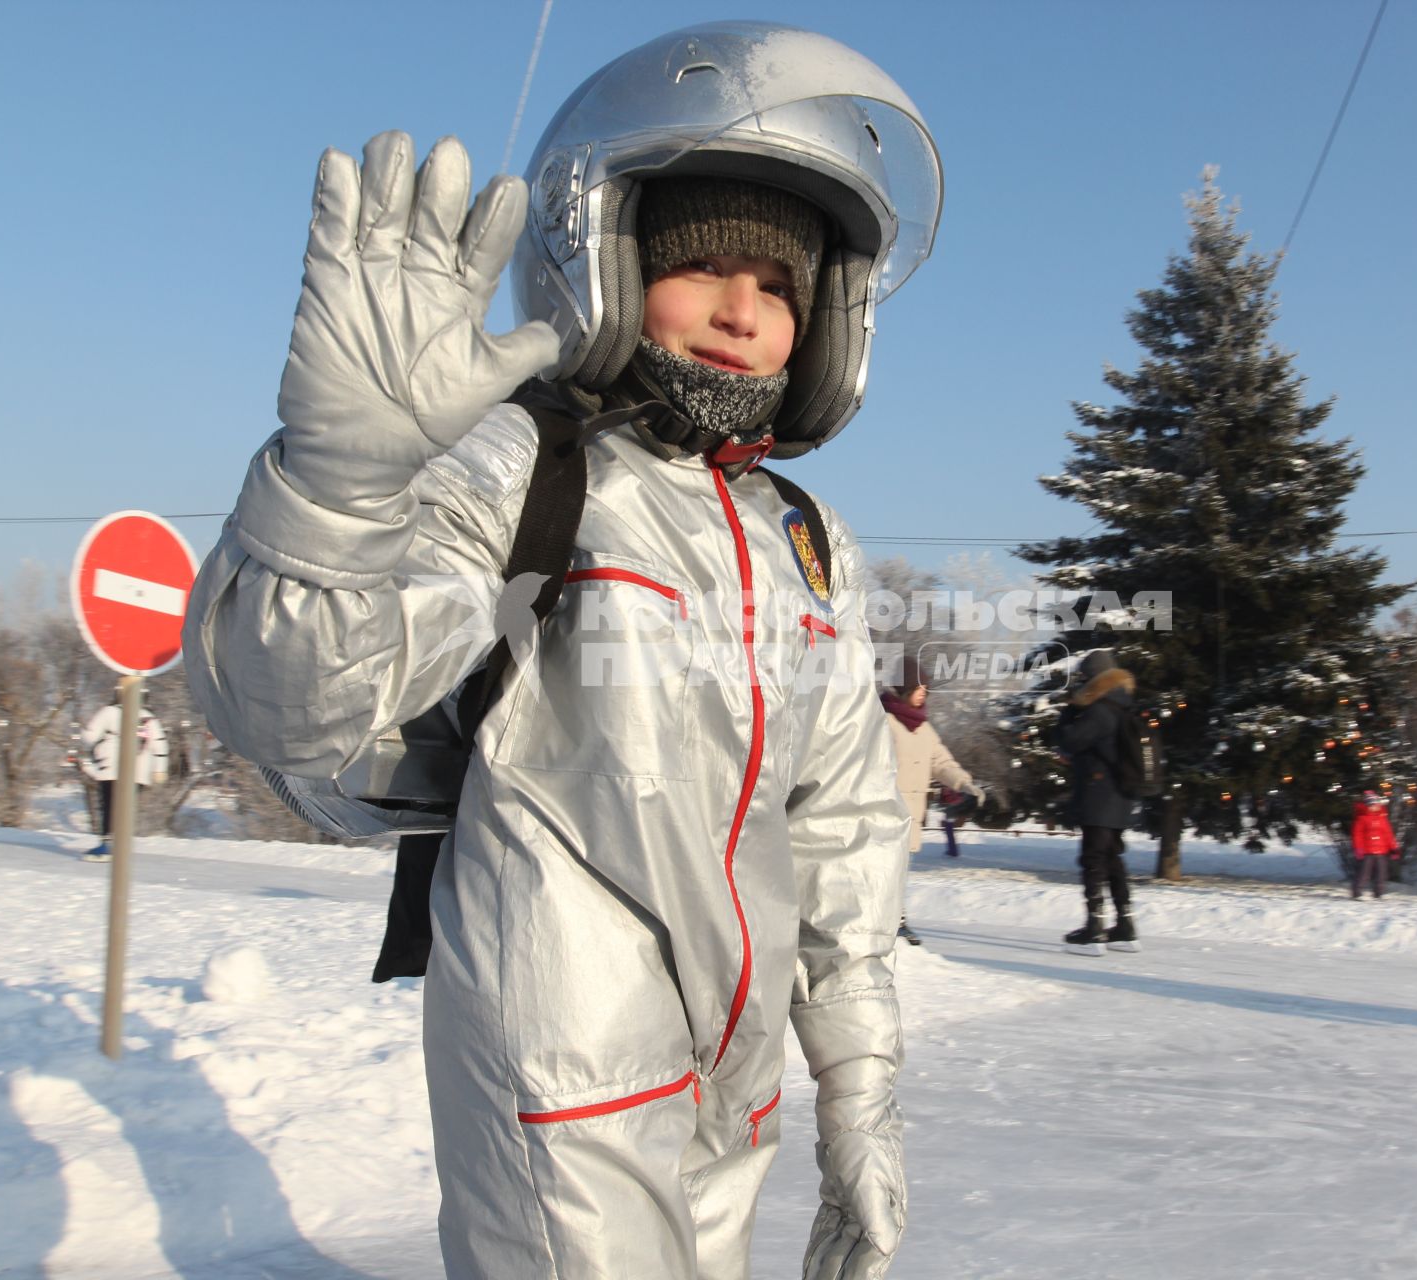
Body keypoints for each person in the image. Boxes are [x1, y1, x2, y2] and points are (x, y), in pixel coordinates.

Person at [181, 22, 941, 1279]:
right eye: (704, 265)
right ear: (607, 255)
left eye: (781, 282)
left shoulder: (806, 543)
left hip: (730, 1077)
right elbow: (305, 702)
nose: (743, 310)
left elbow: (840, 826)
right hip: (562, 1052)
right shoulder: (535, 471)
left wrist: (857, 1083)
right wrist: (337, 494)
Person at [881, 654, 982, 941]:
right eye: (918, 688)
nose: (924, 693)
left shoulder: (923, 727)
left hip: (912, 812)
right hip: (884, 809)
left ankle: (897, 921)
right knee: (884, 870)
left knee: (899, 871)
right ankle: (887, 923)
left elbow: (941, 761)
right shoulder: (884, 721)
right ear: (903, 688)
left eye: (926, 688)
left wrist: (964, 782)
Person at [1055, 650, 1141, 952]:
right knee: (1112, 859)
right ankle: (1125, 924)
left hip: (1099, 796)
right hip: (1119, 797)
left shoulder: (1100, 711)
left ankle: (1095, 926)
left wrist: (1068, 709)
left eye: (1082, 679)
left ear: (1093, 679)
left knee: (1092, 859)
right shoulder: (1121, 705)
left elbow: (1069, 740)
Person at [77, 702, 169, 861]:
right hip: (139, 772)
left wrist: (80, 731)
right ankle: (120, 845)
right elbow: (160, 745)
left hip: (112, 767)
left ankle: (107, 846)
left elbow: (89, 736)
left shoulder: (109, 712)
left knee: (109, 806)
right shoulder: (148, 717)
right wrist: (160, 769)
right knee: (125, 808)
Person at [1349, 790, 1398, 899]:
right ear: (1367, 806)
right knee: (1364, 874)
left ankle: (1379, 892)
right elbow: (1357, 835)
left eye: (1376, 805)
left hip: (1381, 851)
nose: (1375, 807)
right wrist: (1358, 848)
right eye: (1372, 805)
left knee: (1381, 874)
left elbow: (1388, 834)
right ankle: (1357, 892)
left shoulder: (1382, 819)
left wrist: (1393, 848)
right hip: (1367, 851)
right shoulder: (1362, 819)